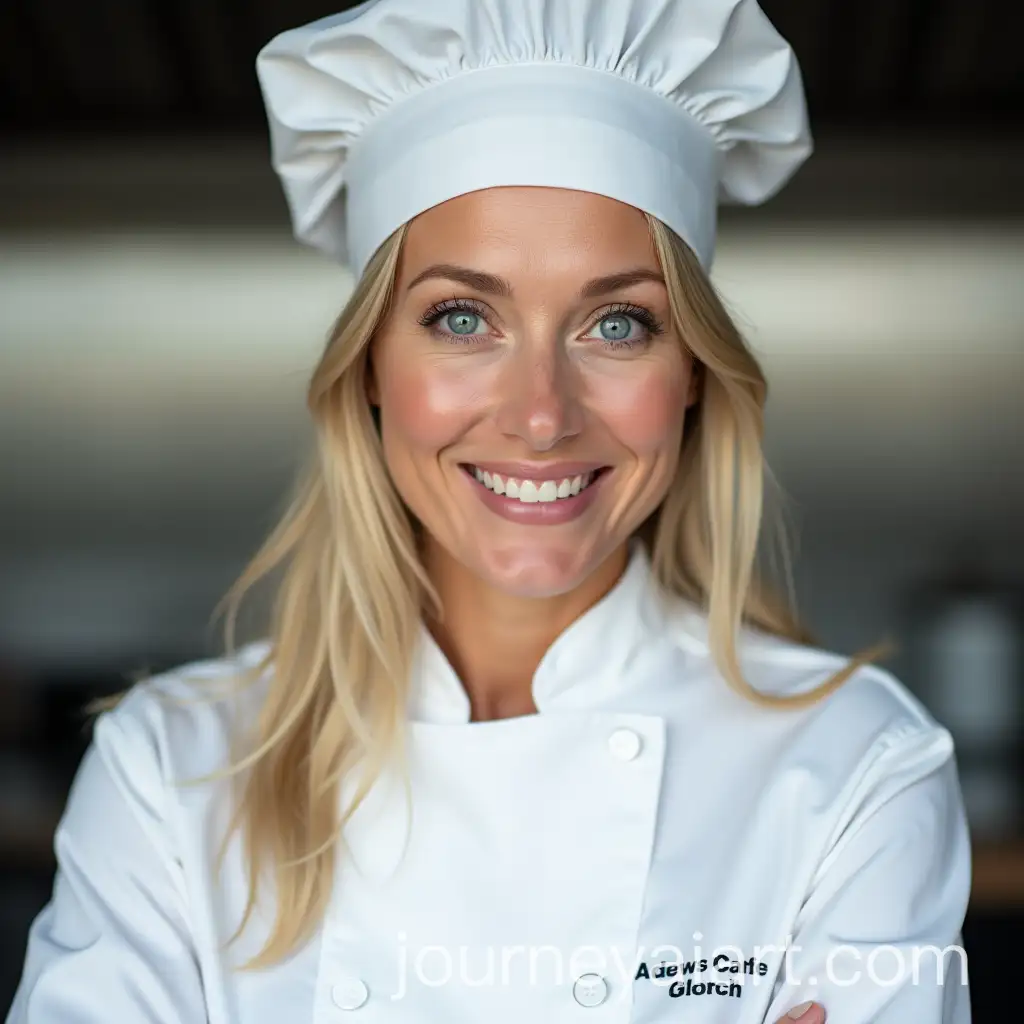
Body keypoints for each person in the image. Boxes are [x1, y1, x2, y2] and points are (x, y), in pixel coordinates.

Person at [7, 1, 971, 1022]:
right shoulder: (172, 773)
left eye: (617, 322)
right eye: (463, 317)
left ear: (692, 369)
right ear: (371, 365)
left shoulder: (860, 771)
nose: (541, 415)